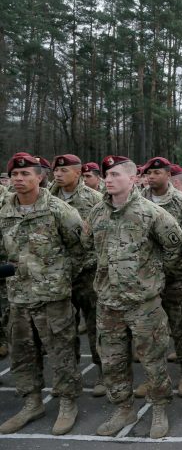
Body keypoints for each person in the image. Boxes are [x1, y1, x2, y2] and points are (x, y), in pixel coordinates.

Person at [82, 155, 182, 439]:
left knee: (153, 360)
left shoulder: (152, 214)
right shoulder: (96, 214)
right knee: (112, 362)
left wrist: (152, 277)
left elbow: (176, 251)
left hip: (144, 305)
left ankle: (159, 408)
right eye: (107, 175)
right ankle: (123, 408)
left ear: (133, 178)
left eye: (115, 174)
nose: (109, 179)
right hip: (108, 304)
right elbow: (86, 246)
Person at [0, 153, 85, 436]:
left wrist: (59, 278)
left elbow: (80, 249)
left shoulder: (59, 210)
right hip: (18, 296)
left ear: (40, 177)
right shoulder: (3, 210)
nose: (20, 180)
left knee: (61, 350)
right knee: (22, 353)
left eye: (26, 175)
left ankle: (67, 402)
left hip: (52, 298)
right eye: (15, 175)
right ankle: (32, 401)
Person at [140, 157, 182, 399]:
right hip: (144, 278)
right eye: (149, 172)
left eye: (157, 172)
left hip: (177, 276)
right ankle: (153, 376)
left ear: (168, 175)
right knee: (148, 331)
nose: (151, 176)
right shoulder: (138, 201)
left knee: (181, 325)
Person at [50, 154, 106, 397]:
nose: (58, 174)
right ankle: (67, 375)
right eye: (56, 170)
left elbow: (102, 238)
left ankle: (103, 370)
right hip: (56, 275)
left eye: (64, 170)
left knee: (95, 325)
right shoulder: (47, 199)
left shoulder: (95, 199)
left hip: (88, 273)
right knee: (62, 329)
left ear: (78, 172)